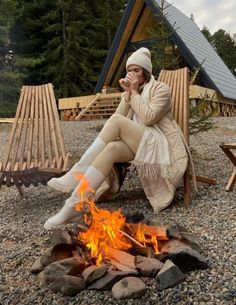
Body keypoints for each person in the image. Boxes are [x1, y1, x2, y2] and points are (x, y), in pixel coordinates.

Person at [44, 47, 193, 230]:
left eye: (136, 70)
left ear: (146, 72)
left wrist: (134, 93)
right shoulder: (132, 93)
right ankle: (74, 205)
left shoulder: (161, 89)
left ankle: (77, 173)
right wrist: (129, 94)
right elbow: (117, 120)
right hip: (140, 141)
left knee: (116, 122)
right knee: (111, 148)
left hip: (159, 142)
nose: (132, 74)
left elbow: (148, 117)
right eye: (129, 70)